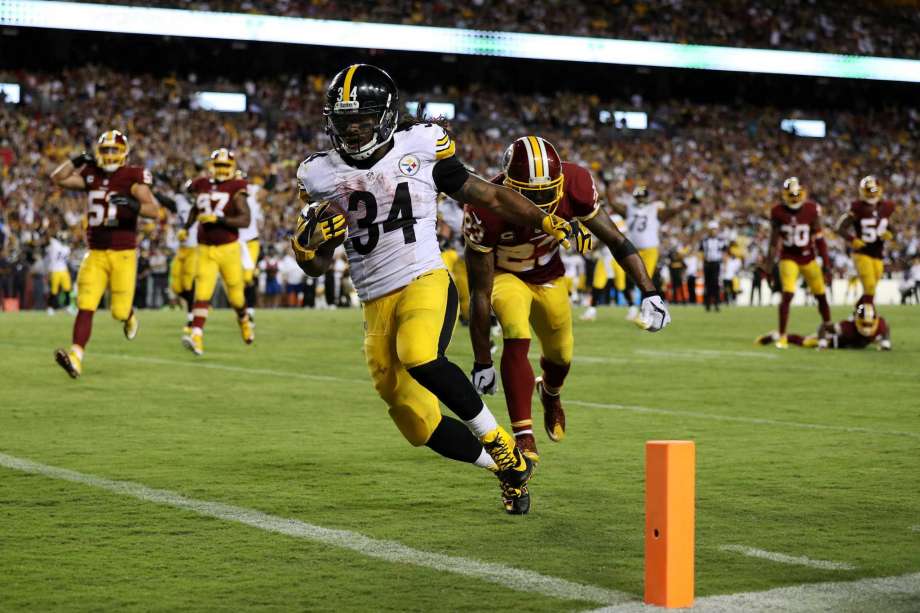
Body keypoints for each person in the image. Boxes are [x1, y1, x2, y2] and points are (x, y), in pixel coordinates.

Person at [290, 64, 573, 515]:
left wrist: (543, 219)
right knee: (414, 419)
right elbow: (317, 265)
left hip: (424, 277)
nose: (354, 128)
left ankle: (499, 441)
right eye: (345, 121)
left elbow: (491, 196)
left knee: (419, 352)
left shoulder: (419, 147)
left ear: (384, 117)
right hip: (374, 300)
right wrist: (307, 247)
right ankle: (508, 469)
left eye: (362, 118)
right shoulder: (318, 174)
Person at [462, 135, 669, 462]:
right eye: (533, 194)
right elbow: (480, 293)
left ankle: (551, 393)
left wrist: (651, 291)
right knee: (516, 330)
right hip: (506, 276)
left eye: (548, 191)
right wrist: (482, 360)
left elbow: (615, 239)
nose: (543, 200)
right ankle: (524, 436)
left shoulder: (575, 182)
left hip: (549, 277)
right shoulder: (485, 208)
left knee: (561, 354)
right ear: (510, 188)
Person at [50, 130, 160, 378]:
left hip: (123, 253)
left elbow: (154, 211)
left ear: (123, 153)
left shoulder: (133, 175)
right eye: (106, 150)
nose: (109, 155)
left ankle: (129, 315)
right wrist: (78, 159)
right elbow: (58, 178)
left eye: (114, 150)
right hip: (96, 252)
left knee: (118, 312)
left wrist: (133, 206)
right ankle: (76, 357)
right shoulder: (92, 174)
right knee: (85, 304)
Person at [183, 148, 254, 355]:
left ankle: (243, 319)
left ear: (231, 167)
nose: (221, 169)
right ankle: (197, 335)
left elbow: (245, 220)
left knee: (236, 297)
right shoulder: (202, 184)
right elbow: (195, 209)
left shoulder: (237, 187)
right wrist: (185, 228)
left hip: (229, 249)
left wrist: (219, 219)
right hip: (205, 248)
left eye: (225, 165)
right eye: (218, 165)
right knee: (202, 291)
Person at [757, 177, 832, 348]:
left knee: (821, 294)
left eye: (798, 193)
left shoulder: (811, 210)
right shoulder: (778, 212)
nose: (795, 197)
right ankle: (782, 335)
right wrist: (768, 267)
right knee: (788, 294)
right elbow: (773, 242)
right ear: (785, 195)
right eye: (792, 194)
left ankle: (828, 326)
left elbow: (820, 239)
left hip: (809, 257)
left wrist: (826, 264)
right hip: (788, 257)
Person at [609, 185, 690, 320]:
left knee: (645, 278)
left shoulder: (654, 210)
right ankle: (633, 308)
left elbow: (672, 211)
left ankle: (645, 311)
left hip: (649, 249)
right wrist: (608, 187)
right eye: (638, 197)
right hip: (633, 248)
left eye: (642, 197)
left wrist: (687, 203)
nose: (640, 200)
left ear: (646, 197)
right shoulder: (629, 209)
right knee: (628, 277)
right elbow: (613, 203)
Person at [835, 175, 896, 306]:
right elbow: (840, 227)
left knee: (871, 289)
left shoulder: (885, 207)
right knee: (869, 286)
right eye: (868, 190)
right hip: (861, 252)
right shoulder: (857, 207)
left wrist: (890, 234)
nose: (871, 194)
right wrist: (852, 239)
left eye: (873, 190)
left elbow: (890, 227)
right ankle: (868, 317)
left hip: (878, 254)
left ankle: (857, 313)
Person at [757, 303, 891, 350]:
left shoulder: (880, 324)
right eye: (864, 323)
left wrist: (885, 343)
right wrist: (822, 342)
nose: (867, 327)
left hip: (847, 344)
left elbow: (886, 329)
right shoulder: (846, 326)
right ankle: (778, 336)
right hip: (831, 341)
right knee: (805, 342)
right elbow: (824, 326)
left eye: (869, 324)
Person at [170, 186, 198, 337]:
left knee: (188, 283)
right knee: (176, 286)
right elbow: (168, 203)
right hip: (181, 249)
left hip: (194, 248)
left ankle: (191, 319)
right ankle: (193, 308)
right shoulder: (180, 201)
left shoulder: (203, 204)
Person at [239, 171, 265, 323]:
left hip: (250, 241)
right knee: (237, 279)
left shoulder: (253, 192)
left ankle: (249, 311)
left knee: (249, 277)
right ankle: (242, 311)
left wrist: (273, 167)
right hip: (234, 242)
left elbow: (269, 187)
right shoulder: (229, 195)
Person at [699, 221, 726, 312]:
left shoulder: (720, 240)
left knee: (715, 284)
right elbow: (701, 253)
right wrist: (700, 264)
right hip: (707, 264)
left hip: (716, 264)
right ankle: (707, 304)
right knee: (707, 284)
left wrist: (724, 264)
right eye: (712, 229)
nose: (714, 231)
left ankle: (716, 304)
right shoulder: (705, 240)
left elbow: (724, 252)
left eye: (715, 229)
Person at [45, 229, 72, 315]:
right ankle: (50, 307)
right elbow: (49, 236)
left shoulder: (67, 248)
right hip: (55, 270)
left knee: (67, 289)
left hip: (64, 270)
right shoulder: (54, 244)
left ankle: (68, 306)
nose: (65, 239)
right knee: (54, 291)